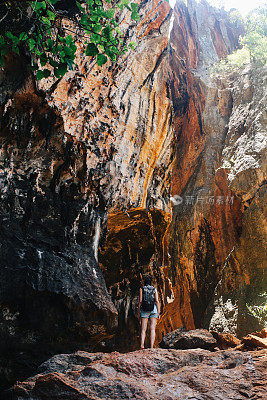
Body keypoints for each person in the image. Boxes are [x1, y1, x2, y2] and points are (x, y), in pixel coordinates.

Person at [138, 274, 160, 349]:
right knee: (152, 329)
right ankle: (151, 347)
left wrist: (139, 311)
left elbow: (140, 301)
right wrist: (158, 312)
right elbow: (157, 301)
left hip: (144, 310)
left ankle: (142, 345)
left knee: (143, 329)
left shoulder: (142, 289)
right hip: (153, 309)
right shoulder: (154, 289)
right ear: (151, 282)